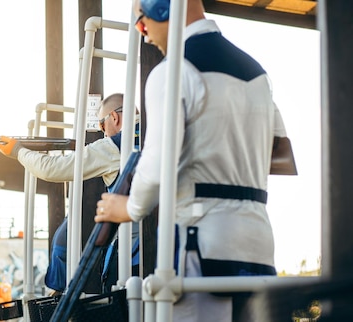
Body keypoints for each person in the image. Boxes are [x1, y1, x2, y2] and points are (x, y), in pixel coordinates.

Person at [94, 0, 289, 321]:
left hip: (201, 246)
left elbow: (155, 166)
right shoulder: (257, 73)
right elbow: (279, 156)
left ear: (160, 8)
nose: (143, 35)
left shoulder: (171, 73)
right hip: (258, 245)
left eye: (141, 23)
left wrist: (126, 208)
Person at [0, 93, 140, 294]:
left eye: (102, 126)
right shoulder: (159, 138)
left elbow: (52, 168)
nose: (103, 133)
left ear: (114, 118)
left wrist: (18, 151)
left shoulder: (114, 147)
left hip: (132, 258)